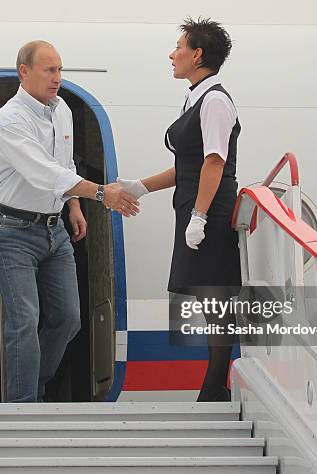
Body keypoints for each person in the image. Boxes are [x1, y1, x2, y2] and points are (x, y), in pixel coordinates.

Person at [0, 40, 139, 403]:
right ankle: (24, 406)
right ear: (24, 72)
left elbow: (64, 164)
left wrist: (73, 205)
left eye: (59, 70)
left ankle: (33, 385)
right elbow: (43, 173)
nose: (57, 78)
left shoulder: (63, 110)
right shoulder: (10, 120)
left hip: (54, 230)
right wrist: (101, 193)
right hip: (12, 231)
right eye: (49, 70)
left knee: (69, 319)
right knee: (25, 319)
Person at [118, 18, 241, 401]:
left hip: (211, 209)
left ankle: (215, 387)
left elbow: (215, 163)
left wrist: (201, 216)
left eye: (179, 47)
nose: (173, 55)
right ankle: (214, 384)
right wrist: (141, 186)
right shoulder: (195, 97)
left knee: (215, 296)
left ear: (198, 54)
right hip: (193, 203)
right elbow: (187, 166)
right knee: (208, 297)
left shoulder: (216, 100)